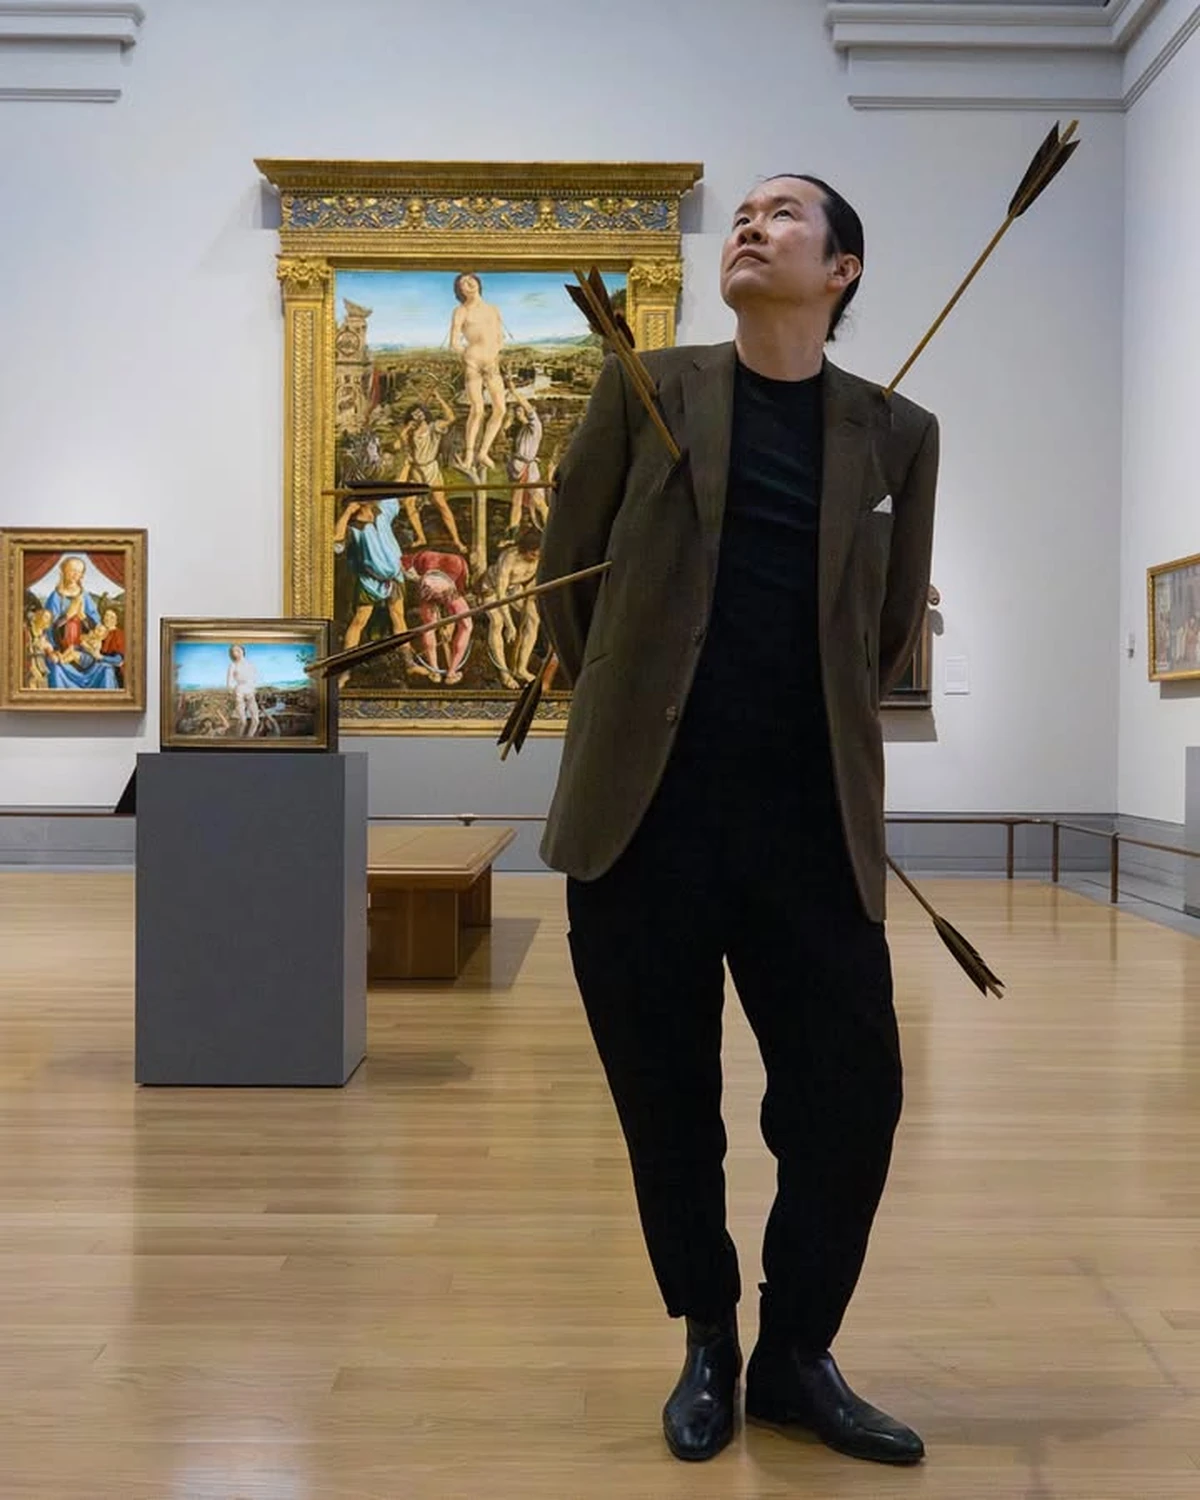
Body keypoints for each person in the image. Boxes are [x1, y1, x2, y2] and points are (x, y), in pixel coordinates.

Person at [537, 173, 939, 1468]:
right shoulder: (647, 388)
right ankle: (707, 1334)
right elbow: (566, 580)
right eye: (745, 213)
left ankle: (796, 1353)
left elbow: (889, 632)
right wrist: (640, 703)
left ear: (842, 270)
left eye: (784, 214)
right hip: (645, 823)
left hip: (810, 827)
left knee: (853, 1097)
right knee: (670, 1108)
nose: (753, 225)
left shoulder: (899, 432)